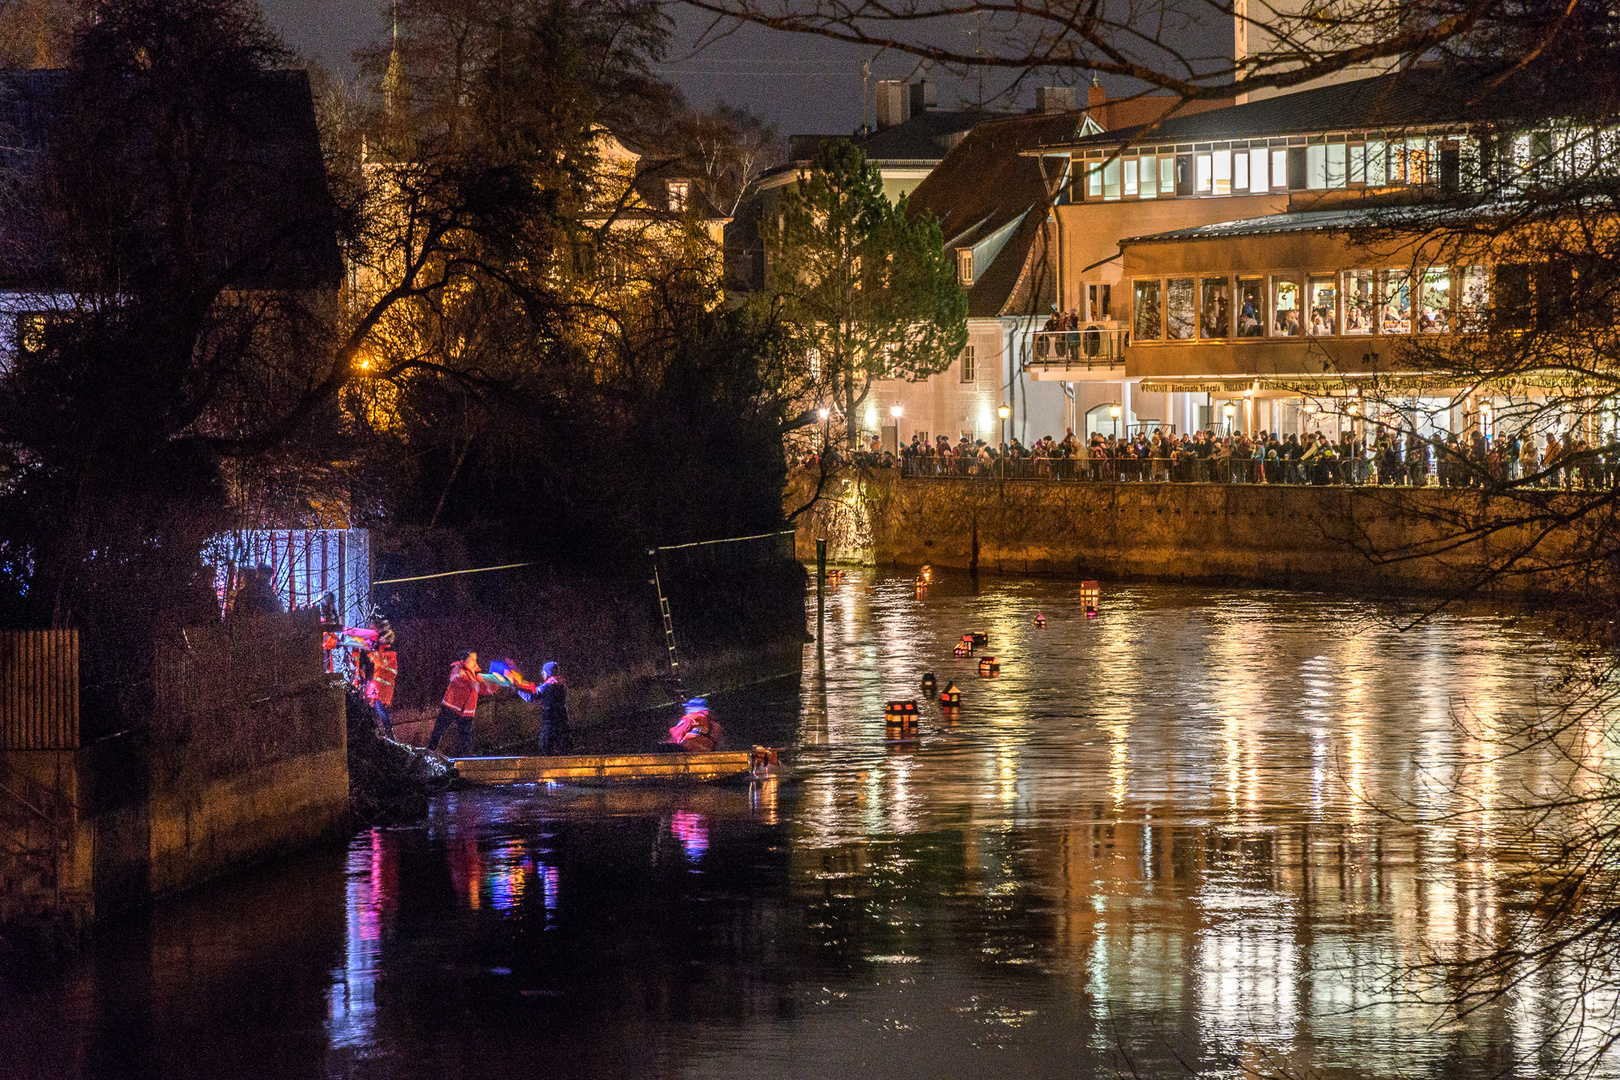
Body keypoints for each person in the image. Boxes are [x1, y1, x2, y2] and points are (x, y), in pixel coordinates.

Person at [428, 650, 496, 753]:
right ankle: (430, 750)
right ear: (464, 660)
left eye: (475, 659)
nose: (474, 661)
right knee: (439, 730)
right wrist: (472, 682)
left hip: (467, 711)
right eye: (471, 659)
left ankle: (467, 758)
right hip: (451, 706)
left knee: (466, 736)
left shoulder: (475, 674)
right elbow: (455, 679)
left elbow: (481, 690)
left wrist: (493, 687)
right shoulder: (458, 669)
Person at [365, 623, 398, 739]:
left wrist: (370, 649)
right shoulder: (383, 651)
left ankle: (389, 734)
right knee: (374, 708)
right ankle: (380, 732)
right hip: (377, 687)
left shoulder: (390, 654)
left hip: (382, 689)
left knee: (380, 709)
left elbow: (378, 660)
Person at [537, 661, 570, 756]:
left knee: (546, 749)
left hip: (549, 722)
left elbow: (531, 697)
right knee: (564, 749)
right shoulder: (562, 685)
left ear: (548, 673)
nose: (542, 673)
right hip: (562, 720)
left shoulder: (545, 686)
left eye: (543, 671)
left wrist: (517, 689)